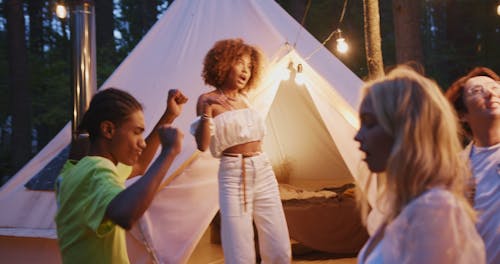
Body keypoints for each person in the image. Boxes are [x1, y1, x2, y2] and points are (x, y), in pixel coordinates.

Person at [354, 66, 485, 263]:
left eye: (370, 123)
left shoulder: (434, 209)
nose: (357, 136)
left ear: (405, 131)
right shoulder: (401, 204)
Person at [55, 88, 187, 264]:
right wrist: (168, 153)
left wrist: (168, 117)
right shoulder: (96, 171)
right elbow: (124, 214)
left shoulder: (74, 171)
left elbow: (140, 165)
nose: (142, 142)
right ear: (108, 130)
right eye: (136, 132)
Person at [191, 38, 291, 263]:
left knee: (279, 245)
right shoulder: (208, 100)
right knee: (239, 245)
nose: (246, 69)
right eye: (239, 62)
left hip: (263, 168)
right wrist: (206, 113)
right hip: (233, 172)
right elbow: (202, 144)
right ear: (224, 64)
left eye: (249, 65)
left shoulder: (246, 100)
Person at [445, 67, 499, 264]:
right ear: (462, 114)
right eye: (477, 90)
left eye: (495, 87)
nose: (491, 92)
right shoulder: (455, 168)